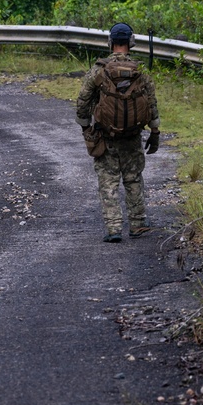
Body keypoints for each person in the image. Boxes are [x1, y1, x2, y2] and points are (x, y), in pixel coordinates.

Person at [75, 23, 161, 242]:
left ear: (110, 43)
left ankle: (114, 228)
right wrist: (155, 132)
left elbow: (83, 102)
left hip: (106, 136)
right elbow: (151, 104)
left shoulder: (98, 70)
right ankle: (138, 223)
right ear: (131, 43)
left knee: (108, 181)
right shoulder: (141, 71)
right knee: (133, 179)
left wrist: (86, 129)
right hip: (132, 136)